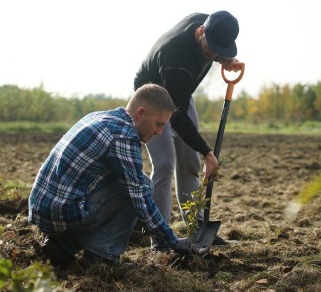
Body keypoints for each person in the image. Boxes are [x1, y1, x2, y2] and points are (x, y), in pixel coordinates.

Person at [28, 83, 208, 268]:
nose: (159, 132)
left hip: (42, 212)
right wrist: (172, 241)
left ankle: (62, 245)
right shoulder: (123, 136)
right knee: (142, 187)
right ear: (140, 113)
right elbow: (139, 197)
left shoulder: (99, 116)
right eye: (159, 124)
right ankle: (102, 258)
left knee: (133, 182)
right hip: (62, 215)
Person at [134, 11, 244, 245]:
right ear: (201, 31)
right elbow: (178, 118)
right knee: (164, 164)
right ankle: (160, 239)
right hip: (152, 98)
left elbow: (213, 47)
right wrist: (208, 153)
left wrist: (223, 57)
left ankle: (197, 230)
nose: (212, 54)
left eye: (219, 49)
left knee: (190, 164)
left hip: (181, 93)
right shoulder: (177, 58)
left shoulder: (209, 21)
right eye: (210, 50)